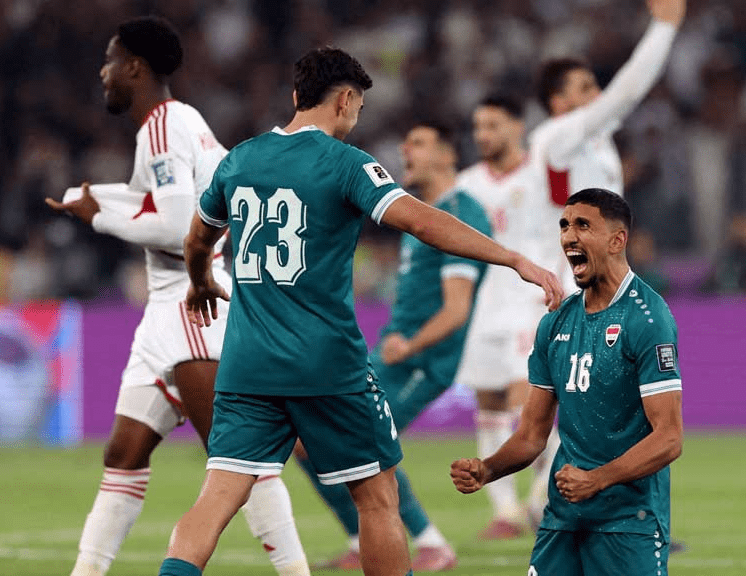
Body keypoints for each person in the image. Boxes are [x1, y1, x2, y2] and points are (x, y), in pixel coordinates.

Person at [157, 47, 562, 576]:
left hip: (247, 366)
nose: (356, 117)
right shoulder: (345, 164)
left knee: (215, 499)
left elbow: (197, 238)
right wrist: (511, 257)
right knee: (376, 496)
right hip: (326, 366)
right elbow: (419, 220)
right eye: (359, 107)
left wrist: (200, 281)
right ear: (345, 99)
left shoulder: (239, 160)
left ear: (297, 95)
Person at [45, 16, 309, 576]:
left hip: (194, 302)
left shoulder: (163, 126)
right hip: (169, 309)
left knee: (236, 457)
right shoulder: (179, 123)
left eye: (111, 60)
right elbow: (156, 200)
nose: (103, 72)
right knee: (124, 453)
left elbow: (176, 224)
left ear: (136, 67)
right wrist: (96, 197)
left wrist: (99, 220)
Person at [454, 0, 686, 537]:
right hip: (559, 290)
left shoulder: (594, 142)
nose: (597, 96)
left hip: (600, 287)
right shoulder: (557, 138)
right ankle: (535, 503)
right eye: (584, 88)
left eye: (593, 86)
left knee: (623, 400)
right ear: (559, 103)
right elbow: (629, 90)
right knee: (556, 402)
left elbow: (619, 103)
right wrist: (665, 27)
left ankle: (584, 505)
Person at [451, 189, 684, 576]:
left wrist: (597, 479)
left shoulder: (647, 318)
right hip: (563, 518)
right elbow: (531, 435)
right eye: (564, 225)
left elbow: (669, 437)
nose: (568, 236)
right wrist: (487, 469)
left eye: (582, 225)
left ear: (617, 239)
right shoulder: (555, 323)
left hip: (628, 522)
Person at [294, 120, 490, 571]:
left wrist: (412, 345)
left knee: (366, 443)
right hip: (391, 352)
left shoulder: (460, 214)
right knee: (307, 440)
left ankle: (432, 543)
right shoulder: (419, 213)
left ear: (446, 156)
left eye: (418, 142)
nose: (404, 148)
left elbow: (457, 309)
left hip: (422, 359)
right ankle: (356, 538)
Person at [453, 94, 546, 538]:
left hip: (530, 302)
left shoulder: (545, 175)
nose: (482, 135)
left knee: (528, 402)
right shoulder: (467, 183)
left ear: (517, 125)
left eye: (491, 125)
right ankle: (505, 510)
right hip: (483, 306)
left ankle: (543, 499)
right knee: (488, 404)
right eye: (477, 127)